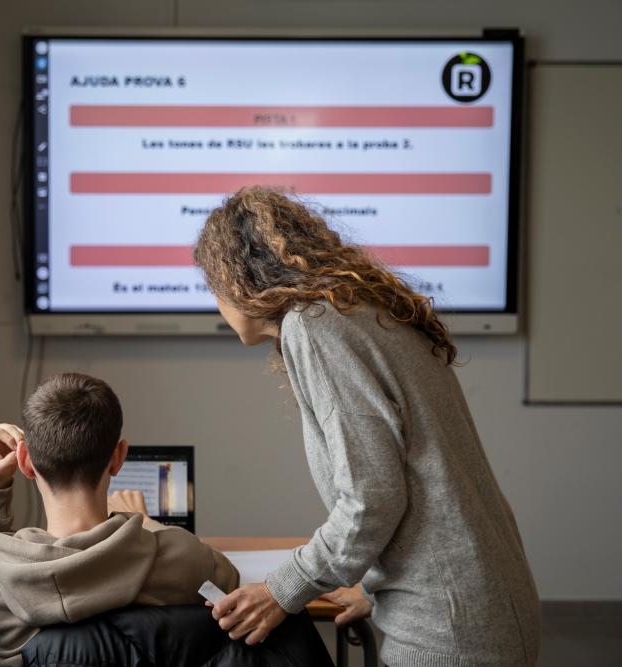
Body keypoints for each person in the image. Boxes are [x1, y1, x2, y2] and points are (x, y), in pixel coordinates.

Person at [193, 187, 541, 666]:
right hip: (478, 602)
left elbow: (371, 498)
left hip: (448, 628)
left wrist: (281, 590)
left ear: (237, 279)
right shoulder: (354, 309)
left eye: (212, 288)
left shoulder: (314, 325)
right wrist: (379, 589)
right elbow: (421, 476)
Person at [0, 372, 241, 667]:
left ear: (25, 461)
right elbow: (230, 583)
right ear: (118, 458)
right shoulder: (183, 559)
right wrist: (147, 522)